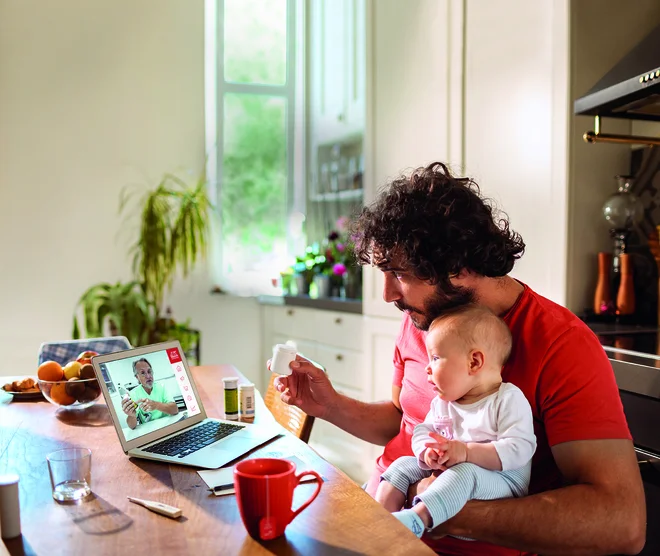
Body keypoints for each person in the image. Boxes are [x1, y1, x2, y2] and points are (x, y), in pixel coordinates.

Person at [273, 162, 646, 555]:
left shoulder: (561, 344)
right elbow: (404, 418)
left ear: (460, 267)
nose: (387, 294)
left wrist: (441, 509)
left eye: (398, 273)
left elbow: (622, 523)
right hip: (378, 517)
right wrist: (329, 405)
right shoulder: (423, 317)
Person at [375, 305, 536, 539]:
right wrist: (427, 451)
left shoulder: (508, 399)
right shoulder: (445, 401)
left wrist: (467, 453)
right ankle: (379, 519)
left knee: (465, 473)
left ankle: (416, 520)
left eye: (436, 358)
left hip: (503, 481)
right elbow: (424, 431)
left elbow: (520, 448)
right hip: (452, 469)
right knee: (402, 465)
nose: (427, 368)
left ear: (474, 362)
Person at [121, 358, 178, 430]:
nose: (148, 376)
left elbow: (175, 410)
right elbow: (132, 426)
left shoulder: (161, 387)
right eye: (142, 373)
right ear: (137, 377)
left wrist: (156, 405)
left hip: (167, 426)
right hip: (149, 431)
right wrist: (132, 416)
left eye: (149, 371)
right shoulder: (133, 394)